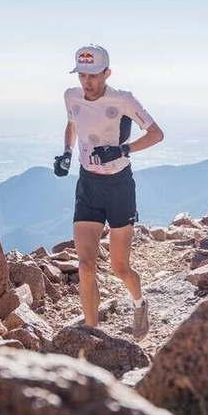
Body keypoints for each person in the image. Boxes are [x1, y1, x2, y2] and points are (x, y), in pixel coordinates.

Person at [54, 44, 164, 339]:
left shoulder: (123, 99)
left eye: (92, 75)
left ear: (107, 73)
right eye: (81, 75)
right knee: (86, 267)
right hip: (88, 185)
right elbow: (71, 124)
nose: (86, 82)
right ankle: (93, 338)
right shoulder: (71, 96)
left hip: (118, 188)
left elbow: (156, 134)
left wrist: (120, 150)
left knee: (119, 267)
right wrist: (66, 152)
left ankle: (140, 304)